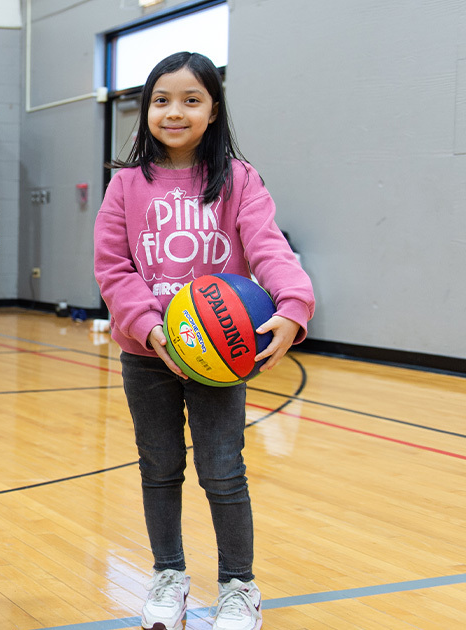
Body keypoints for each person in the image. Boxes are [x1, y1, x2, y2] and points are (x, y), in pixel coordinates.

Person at [93, 52, 314, 630]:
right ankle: (168, 575)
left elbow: (268, 247)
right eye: (162, 100)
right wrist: (147, 325)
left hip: (220, 356)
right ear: (145, 111)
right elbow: (113, 270)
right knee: (159, 467)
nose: (175, 111)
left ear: (214, 110)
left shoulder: (239, 180)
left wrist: (294, 304)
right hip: (150, 354)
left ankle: (239, 586)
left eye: (192, 100)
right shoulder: (124, 185)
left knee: (223, 470)